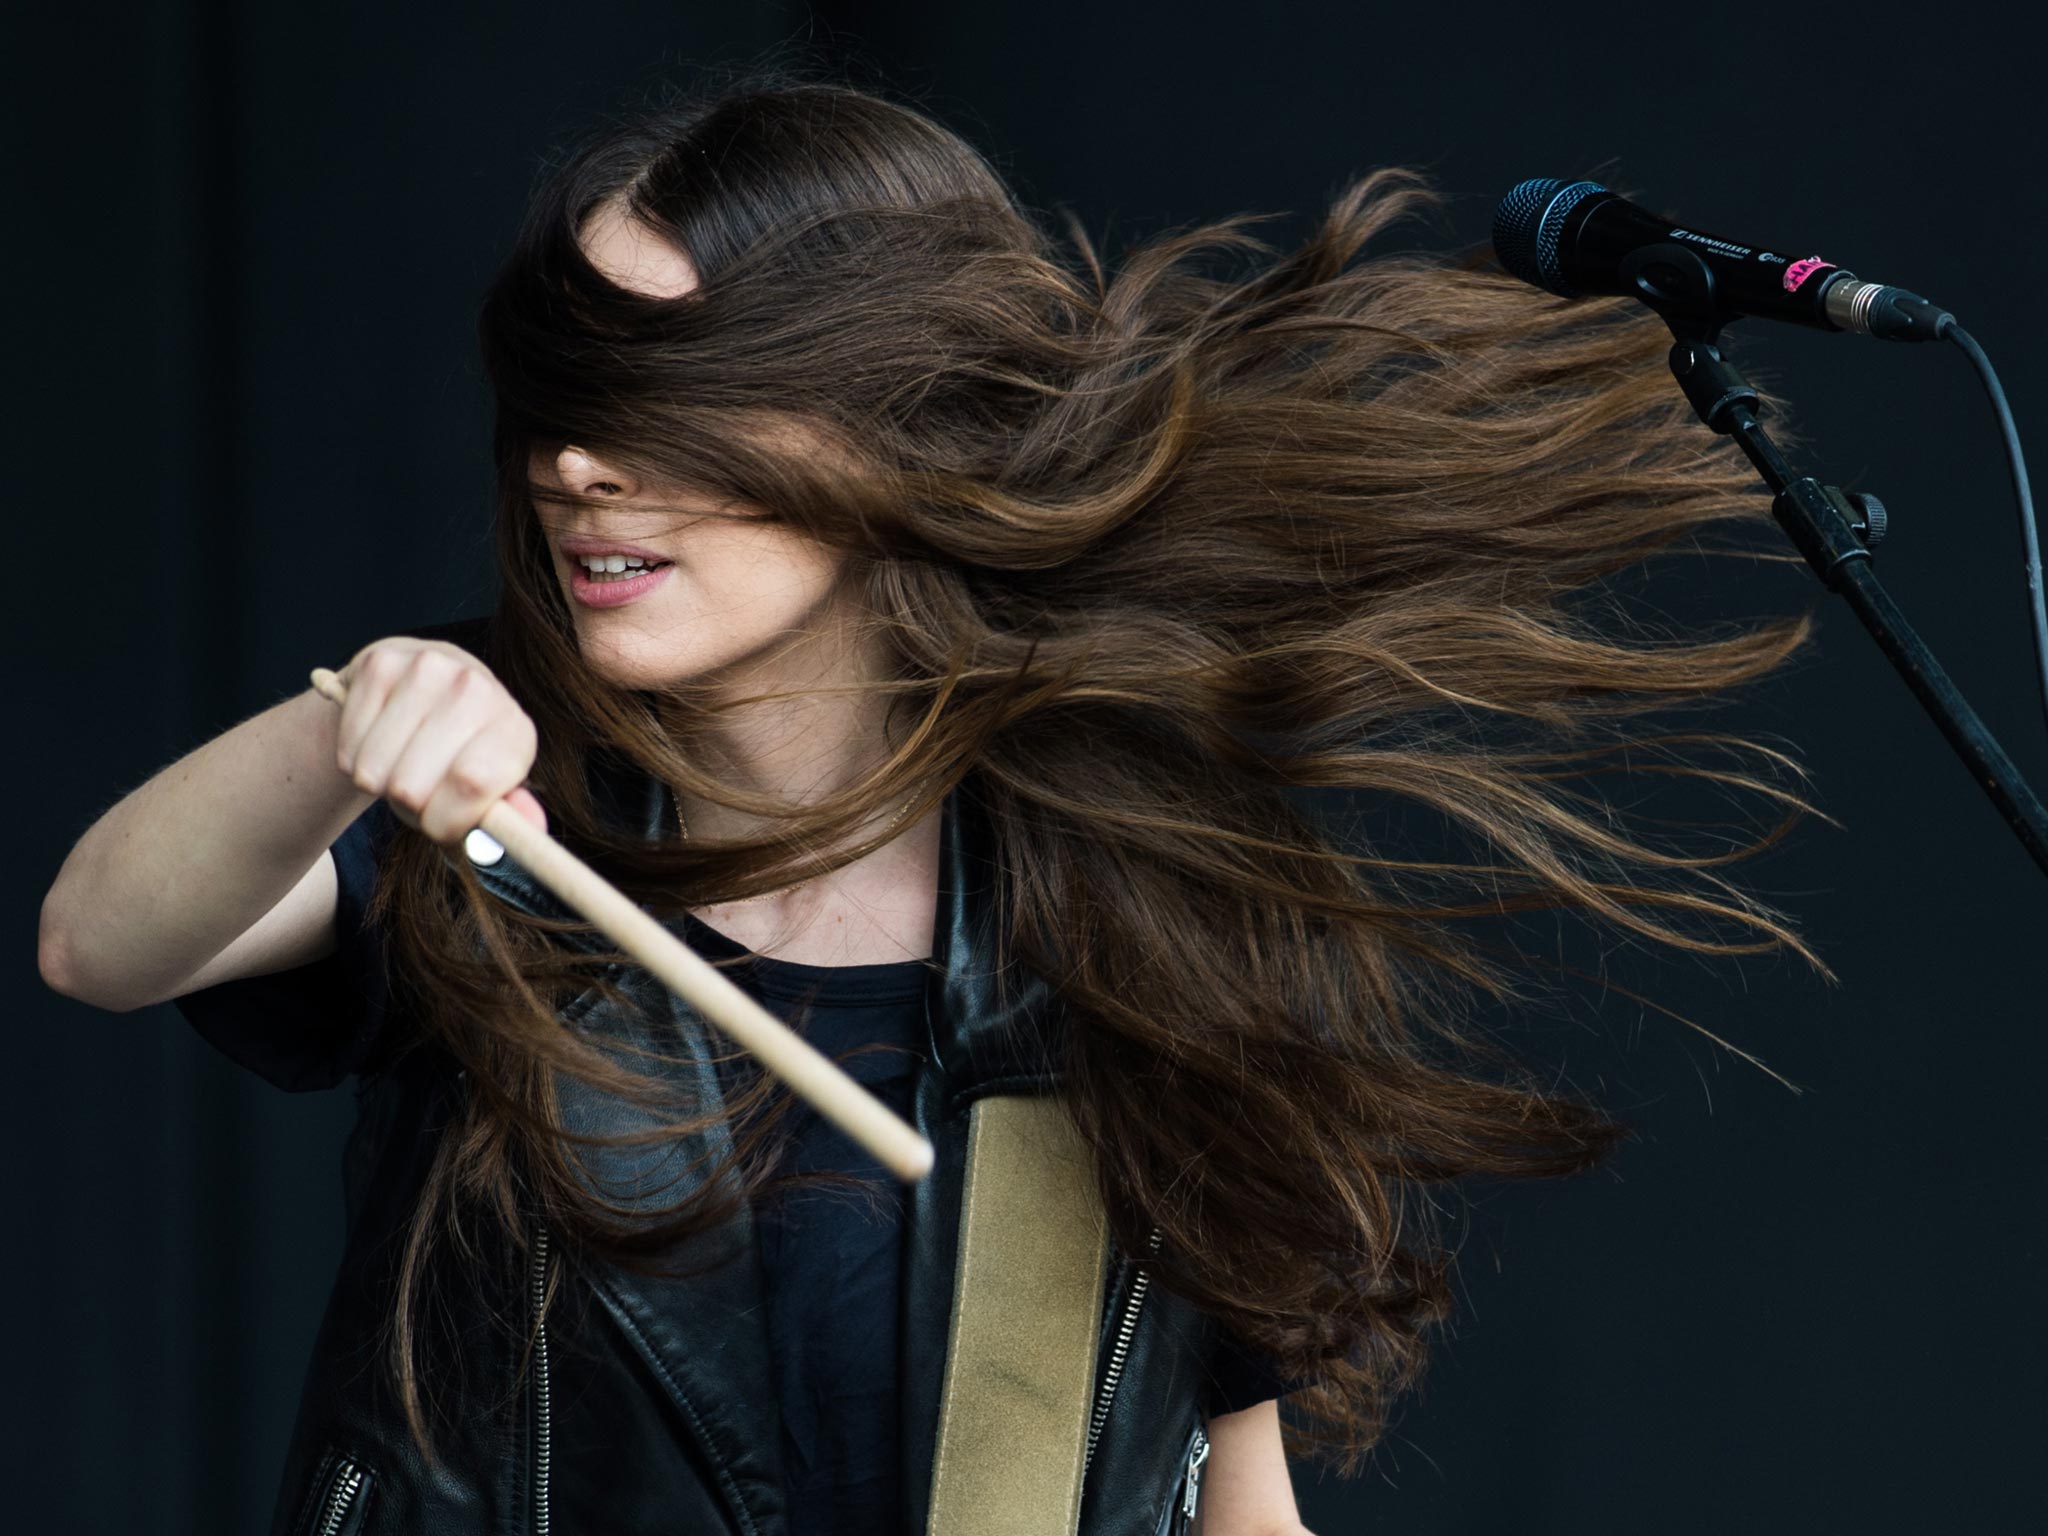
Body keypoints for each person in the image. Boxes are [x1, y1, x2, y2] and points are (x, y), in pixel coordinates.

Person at [38, 66, 1827, 1536]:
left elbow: (1241, 1495)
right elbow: (94, 946)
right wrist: (329, 732)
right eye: (564, 398)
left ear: (904, 414)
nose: (584, 460)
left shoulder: (1131, 880)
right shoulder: (477, 794)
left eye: (679, 399)